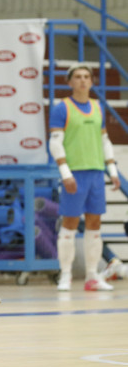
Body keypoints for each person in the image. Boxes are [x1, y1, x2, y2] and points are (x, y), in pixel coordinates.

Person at [49, 63, 119, 292]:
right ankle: (66, 275)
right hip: (74, 174)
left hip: (96, 173)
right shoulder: (63, 108)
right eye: (77, 77)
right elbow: (55, 143)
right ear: (69, 82)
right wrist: (65, 173)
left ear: (92, 81)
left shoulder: (98, 107)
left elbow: (104, 140)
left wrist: (113, 171)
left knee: (95, 224)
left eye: (86, 77)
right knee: (69, 224)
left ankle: (92, 276)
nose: (82, 80)